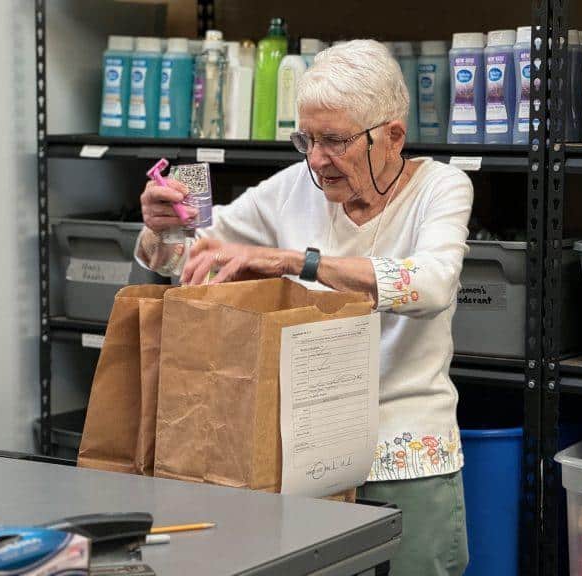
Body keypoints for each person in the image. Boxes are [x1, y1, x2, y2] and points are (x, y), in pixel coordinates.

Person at [136, 39, 473, 576]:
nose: (316, 159)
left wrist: (292, 261)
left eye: (334, 140)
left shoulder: (442, 187)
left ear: (392, 136)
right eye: (307, 139)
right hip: (305, 454)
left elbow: (430, 285)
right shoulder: (296, 186)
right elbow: (195, 256)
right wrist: (165, 227)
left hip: (408, 456)